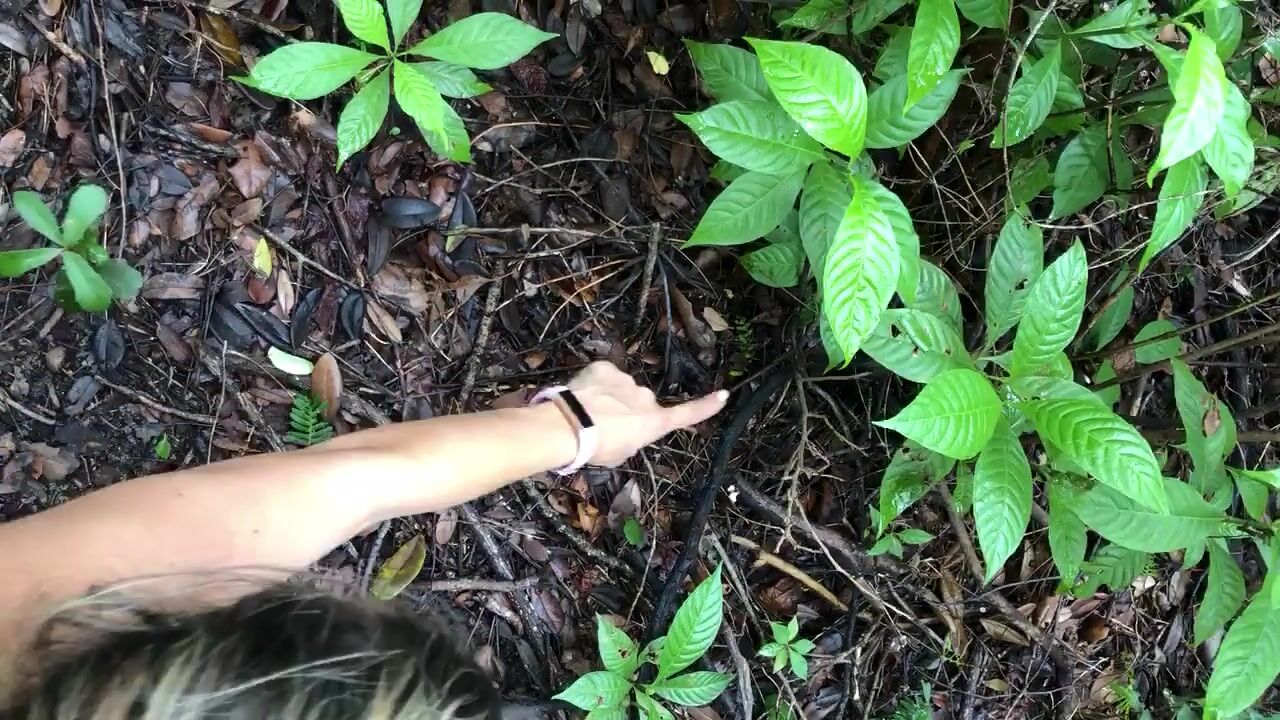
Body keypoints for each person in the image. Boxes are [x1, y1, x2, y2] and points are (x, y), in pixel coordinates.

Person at [0, 361, 729, 720]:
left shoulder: (36, 621)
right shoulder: (49, 644)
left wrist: (571, 423)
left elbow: (355, 482)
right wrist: (571, 426)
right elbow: (359, 482)